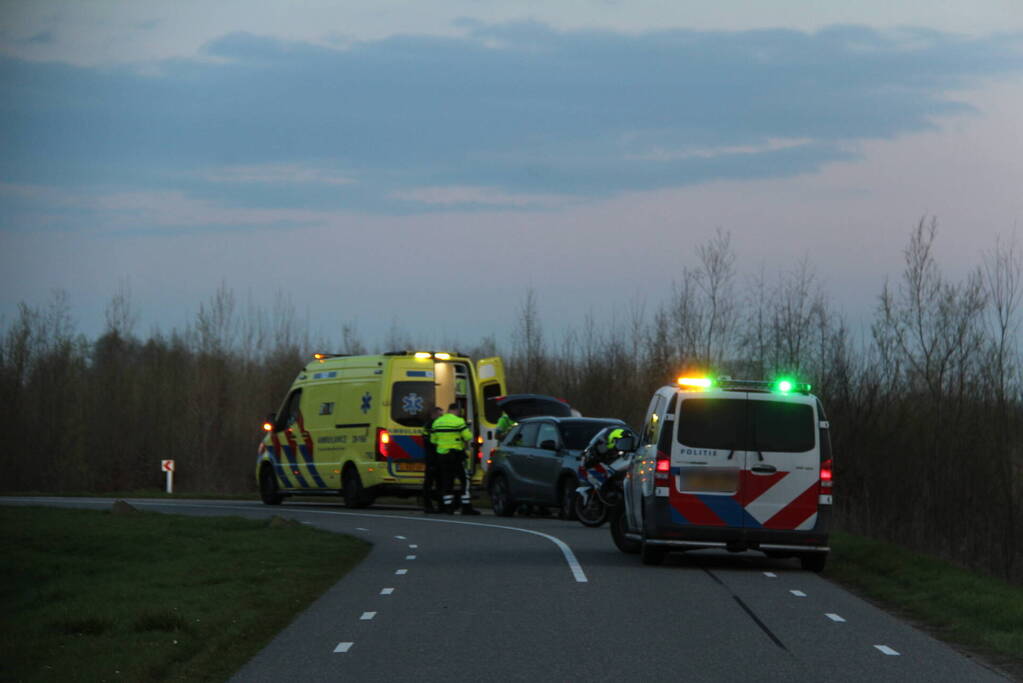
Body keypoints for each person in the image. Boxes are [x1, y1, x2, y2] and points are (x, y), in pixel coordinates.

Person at [430, 402, 480, 515]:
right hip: (456, 455)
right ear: (457, 410)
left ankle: (448, 507)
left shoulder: (437, 422)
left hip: (442, 456)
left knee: (447, 480)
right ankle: (466, 507)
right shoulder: (459, 421)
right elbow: (468, 437)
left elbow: (433, 440)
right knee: (464, 480)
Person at [420, 406, 445, 513]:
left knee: (440, 482)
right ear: (433, 414)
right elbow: (430, 441)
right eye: (440, 415)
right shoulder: (429, 426)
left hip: (437, 457)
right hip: (432, 457)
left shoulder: (434, 425)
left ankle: (440, 505)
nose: (441, 417)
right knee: (429, 483)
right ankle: (427, 505)